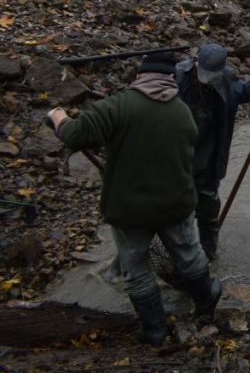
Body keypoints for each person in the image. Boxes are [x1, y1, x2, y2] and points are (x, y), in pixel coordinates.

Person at [45, 52, 221, 346]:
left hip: (131, 210)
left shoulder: (118, 106)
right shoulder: (182, 113)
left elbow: (75, 136)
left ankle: (154, 329)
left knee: (136, 267)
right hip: (176, 204)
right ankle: (207, 298)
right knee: (189, 253)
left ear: (140, 76)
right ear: (171, 79)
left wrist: (57, 116)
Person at [175, 43, 250, 261]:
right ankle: (181, 255)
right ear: (196, 61)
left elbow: (244, 90)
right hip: (179, 154)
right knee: (176, 208)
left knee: (208, 207)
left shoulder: (226, 79)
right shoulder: (178, 76)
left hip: (209, 154)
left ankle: (208, 255)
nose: (207, 79)